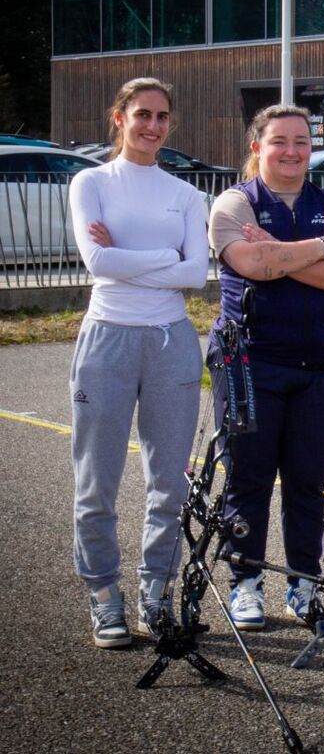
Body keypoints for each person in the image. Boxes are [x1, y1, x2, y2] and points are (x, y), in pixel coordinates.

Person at [208, 103, 324, 629]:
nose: (293, 151)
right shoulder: (235, 204)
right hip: (252, 363)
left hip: (320, 367)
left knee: (307, 481)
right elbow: (253, 264)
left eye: (302, 141)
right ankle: (246, 583)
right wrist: (322, 250)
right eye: (280, 141)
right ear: (257, 147)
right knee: (248, 479)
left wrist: (285, 256)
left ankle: (304, 582)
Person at [69, 77, 209, 648]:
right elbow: (96, 260)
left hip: (172, 340)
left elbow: (196, 275)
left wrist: (132, 259)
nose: (153, 126)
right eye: (142, 115)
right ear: (119, 117)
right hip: (107, 337)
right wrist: (164, 255)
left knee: (169, 485)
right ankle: (104, 596)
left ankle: (157, 592)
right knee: (96, 482)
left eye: (162, 117)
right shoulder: (90, 182)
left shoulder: (186, 194)